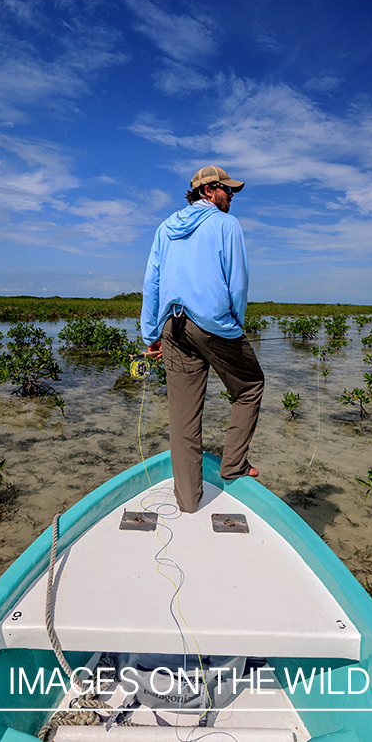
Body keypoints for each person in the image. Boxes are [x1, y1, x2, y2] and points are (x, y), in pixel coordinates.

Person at [141, 165, 265, 513]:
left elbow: (152, 282)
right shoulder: (227, 225)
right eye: (229, 191)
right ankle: (234, 464)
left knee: (182, 419)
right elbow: (237, 282)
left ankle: (188, 501)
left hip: (173, 327)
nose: (232, 197)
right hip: (214, 326)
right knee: (250, 386)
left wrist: (151, 334)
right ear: (209, 190)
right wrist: (236, 325)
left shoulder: (166, 227)